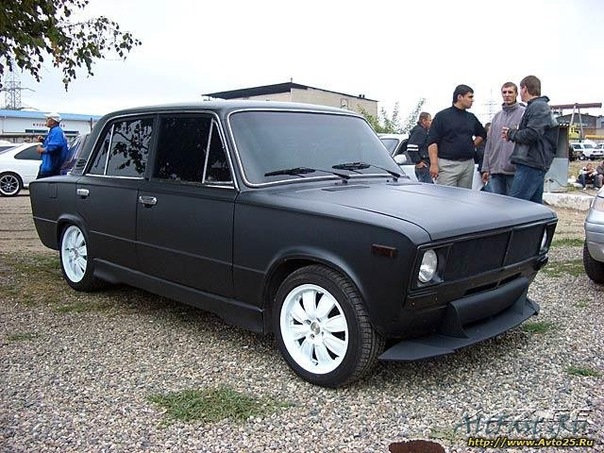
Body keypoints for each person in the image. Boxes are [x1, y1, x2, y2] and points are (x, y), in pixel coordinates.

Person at [503, 75, 558, 204]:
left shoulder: (538, 107)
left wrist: (511, 133)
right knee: (533, 208)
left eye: (520, 89)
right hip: (534, 163)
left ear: (524, 88)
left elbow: (532, 134)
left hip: (531, 163)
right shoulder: (538, 106)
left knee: (515, 205)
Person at [427, 84, 487, 188]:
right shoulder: (442, 116)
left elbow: (482, 134)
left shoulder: (471, 117)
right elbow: (432, 141)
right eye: (470, 97)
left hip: (468, 165)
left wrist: (471, 145)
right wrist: (434, 164)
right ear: (459, 97)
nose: (472, 100)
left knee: (464, 197)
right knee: (446, 197)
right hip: (447, 165)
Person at [481, 82, 526, 195]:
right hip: (495, 170)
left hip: (514, 170)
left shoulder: (523, 114)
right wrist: (485, 167)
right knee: (496, 203)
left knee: (514, 203)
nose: (507, 95)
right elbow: (489, 144)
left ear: (516, 94)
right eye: (504, 92)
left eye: (510, 92)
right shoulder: (497, 117)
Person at [36, 112, 69, 179]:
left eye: (48, 118)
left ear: (53, 121)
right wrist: (43, 140)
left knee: (42, 184)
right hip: (48, 166)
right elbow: (52, 143)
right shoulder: (54, 131)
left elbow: (55, 146)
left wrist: (41, 150)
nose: (46, 120)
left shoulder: (56, 131)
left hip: (51, 167)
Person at [406, 112, 433, 183]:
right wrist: (418, 162)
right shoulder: (419, 131)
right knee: (427, 188)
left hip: (424, 164)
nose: (431, 123)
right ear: (424, 121)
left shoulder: (421, 131)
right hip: (423, 164)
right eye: (430, 120)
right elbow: (411, 148)